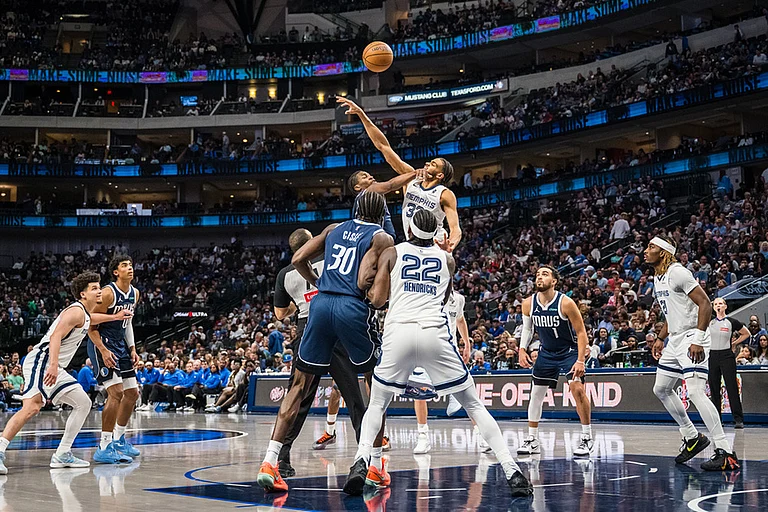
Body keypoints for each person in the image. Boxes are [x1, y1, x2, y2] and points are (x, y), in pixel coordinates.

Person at [342, 210, 532, 498]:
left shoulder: (392, 252)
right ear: (435, 233)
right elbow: (446, 299)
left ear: (409, 227)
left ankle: (361, 461)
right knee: (474, 405)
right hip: (434, 333)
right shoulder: (448, 260)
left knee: (378, 404)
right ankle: (512, 470)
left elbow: (379, 300)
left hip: (399, 332)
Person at [256, 191, 393, 493]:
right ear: (382, 214)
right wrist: (371, 299)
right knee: (374, 385)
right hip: (350, 308)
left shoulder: (333, 229)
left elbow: (297, 258)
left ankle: (270, 461)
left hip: (319, 308)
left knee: (299, 387)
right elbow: (378, 296)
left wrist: (317, 282)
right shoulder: (382, 238)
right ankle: (375, 465)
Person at [0, 272, 131, 474]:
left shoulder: (85, 314)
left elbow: (92, 318)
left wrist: (114, 316)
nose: (99, 291)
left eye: (99, 287)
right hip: (42, 361)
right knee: (32, 406)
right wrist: (52, 365)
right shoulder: (75, 312)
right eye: (94, 288)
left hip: (56, 366)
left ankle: (62, 454)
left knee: (84, 403)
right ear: (83, 294)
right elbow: (56, 337)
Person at [272, 228, 367, 476]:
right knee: (354, 397)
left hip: (306, 327)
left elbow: (280, 314)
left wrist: (301, 301)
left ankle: (280, 459)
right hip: (335, 322)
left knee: (299, 396)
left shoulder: (285, 274)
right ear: (313, 242)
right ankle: (365, 458)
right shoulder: (333, 258)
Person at [645, 236, 740, 471]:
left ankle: (725, 451)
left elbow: (705, 304)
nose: (646, 251)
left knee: (696, 392)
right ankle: (692, 436)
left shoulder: (677, 272)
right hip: (675, 339)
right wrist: (660, 337)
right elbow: (672, 313)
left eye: (651, 247)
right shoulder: (657, 277)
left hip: (692, 337)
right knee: (661, 388)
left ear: (664, 252)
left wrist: (698, 338)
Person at [517, 266, 594, 458]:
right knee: (535, 394)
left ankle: (587, 438)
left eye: (545, 274)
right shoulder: (528, 303)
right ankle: (532, 439)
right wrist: (521, 349)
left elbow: (581, 332)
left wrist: (580, 360)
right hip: (547, 352)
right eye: (537, 274)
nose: (539, 277)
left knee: (577, 389)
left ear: (554, 281)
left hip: (569, 351)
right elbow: (527, 330)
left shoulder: (566, 303)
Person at [86, 254, 142, 464]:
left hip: (120, 344)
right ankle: (104, 445)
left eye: (131, 264)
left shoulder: (135, 294)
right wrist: (102, 350)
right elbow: (90, 324)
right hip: (102, 342)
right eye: (125, 265)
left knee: (132, 393)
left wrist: (132, 348)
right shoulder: (108, 293)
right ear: (116, 272)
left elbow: (127, 323)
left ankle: (119, 439)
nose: (130, 268)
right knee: (116, 392)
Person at [708, 298, 749, 428]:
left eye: (720, 303)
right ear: (713, 307)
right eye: (716, 304)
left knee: (731, 386)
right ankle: (717, 419)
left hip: (726, 355)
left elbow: (745, 333)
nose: (718, 306)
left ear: (725, 306)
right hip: (712, 355)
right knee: (714, 388)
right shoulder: (710, 322)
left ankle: (738, 419)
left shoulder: (731, 322)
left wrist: (735, 343)